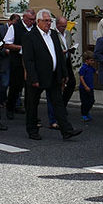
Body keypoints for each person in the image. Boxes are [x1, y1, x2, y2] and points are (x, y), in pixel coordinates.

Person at [21, 9, 82, 141]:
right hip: (38, 76)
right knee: (32, 104)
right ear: (38, 21)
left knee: (58, 103)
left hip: (53, 75)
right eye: (46, 21)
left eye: (50, 21)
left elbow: (59, 55)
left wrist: (64, 73)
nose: (48, 23)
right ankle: (32, 130)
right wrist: (33, 77)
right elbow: (28, 60)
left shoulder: (53, 34)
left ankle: (67, 130)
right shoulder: (30, 37)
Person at [3, 9, 36, 119]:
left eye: (34, 19)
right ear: (24, 18)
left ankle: (30, 111)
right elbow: (7, 44)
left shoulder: (35, 28)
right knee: (15, 86)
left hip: (31, 62)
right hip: (17, 61)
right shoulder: (15, 27)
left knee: (30, 87)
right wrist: (22, 48)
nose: (32, 21)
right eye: (30, 19)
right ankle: (10, 108)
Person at [79, 58, 96, 122]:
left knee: (91, 101)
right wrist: (85, 86)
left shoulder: (91, 67)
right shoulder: (83, 68)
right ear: (86, 60)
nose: (93, 62)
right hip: (83, 88)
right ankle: (84, 114)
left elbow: (96, 72)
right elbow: (81, 77)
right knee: (84, 101)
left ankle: (86, 111)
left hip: (90, 87)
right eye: (91, 60)